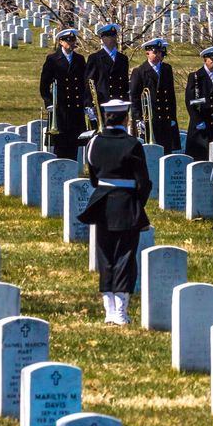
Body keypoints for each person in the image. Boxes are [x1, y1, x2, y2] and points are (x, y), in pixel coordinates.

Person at [78, 99, 150, 325]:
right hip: (126, 203)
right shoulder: (132, 144)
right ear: (125, 118)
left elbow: (92, 177)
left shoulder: (94, 142)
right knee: (125, 256)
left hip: (101, 203)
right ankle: (120, 311)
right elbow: (143, 182)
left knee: (105, 255)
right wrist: (138, 202)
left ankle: (109, 309)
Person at [39, 27, 93, 161]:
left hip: (76, 107)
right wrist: (49, 103)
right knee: (60, 143)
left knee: (74, 142)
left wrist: (87, 103)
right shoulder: (52, 59)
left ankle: (72, 170)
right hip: (60, 109)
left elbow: (84, 84)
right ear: (61, 42)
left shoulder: (80, 59)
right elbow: (44, 85)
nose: (72, 43)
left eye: (73, 40)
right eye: (68, 40)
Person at [128, 38, 180, 152]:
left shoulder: (167, 69)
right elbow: (135, 97)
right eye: (155, 52)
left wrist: (172, 117)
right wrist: (138, 118)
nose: (158, 55)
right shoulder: (139, 71)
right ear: (147, 53)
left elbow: (171, 95)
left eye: (160, 52)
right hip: (150, 119)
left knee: (167, 150)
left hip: (165, 117)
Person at [184, 46, 213, 161]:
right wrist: (197, 120)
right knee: (199, 158)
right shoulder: (195, 77)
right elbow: (190, 101)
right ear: (205, 59)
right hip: (200, 125)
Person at [86, 23, 129, 117]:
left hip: (119, 103)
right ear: (103, 38)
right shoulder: (95, 58)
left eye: (114, 36)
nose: (113, 39)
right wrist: (89, 104)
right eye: (109, 36)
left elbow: (125, 83)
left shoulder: (123, 58)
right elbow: (90, 82)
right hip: (103, 103)